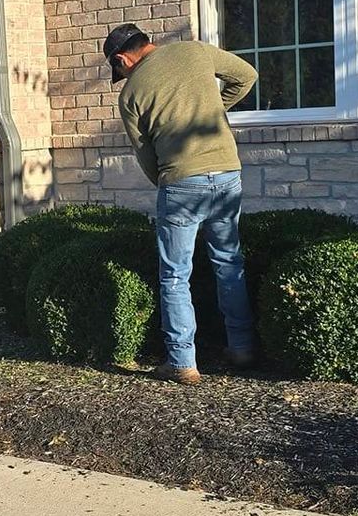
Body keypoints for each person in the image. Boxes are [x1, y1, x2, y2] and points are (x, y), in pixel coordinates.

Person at [104, 22, 259, 384]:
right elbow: (246, 75)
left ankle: (182, 362)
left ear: (122, 59)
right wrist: (210, 112)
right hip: (225, 172)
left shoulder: (130, 95)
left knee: (175, 275)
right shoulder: (194, 50)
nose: (121, 75)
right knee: (229, 262)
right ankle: (242, 347)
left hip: (180, 182)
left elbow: (144, 153)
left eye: (118, 70)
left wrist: (165, 180)